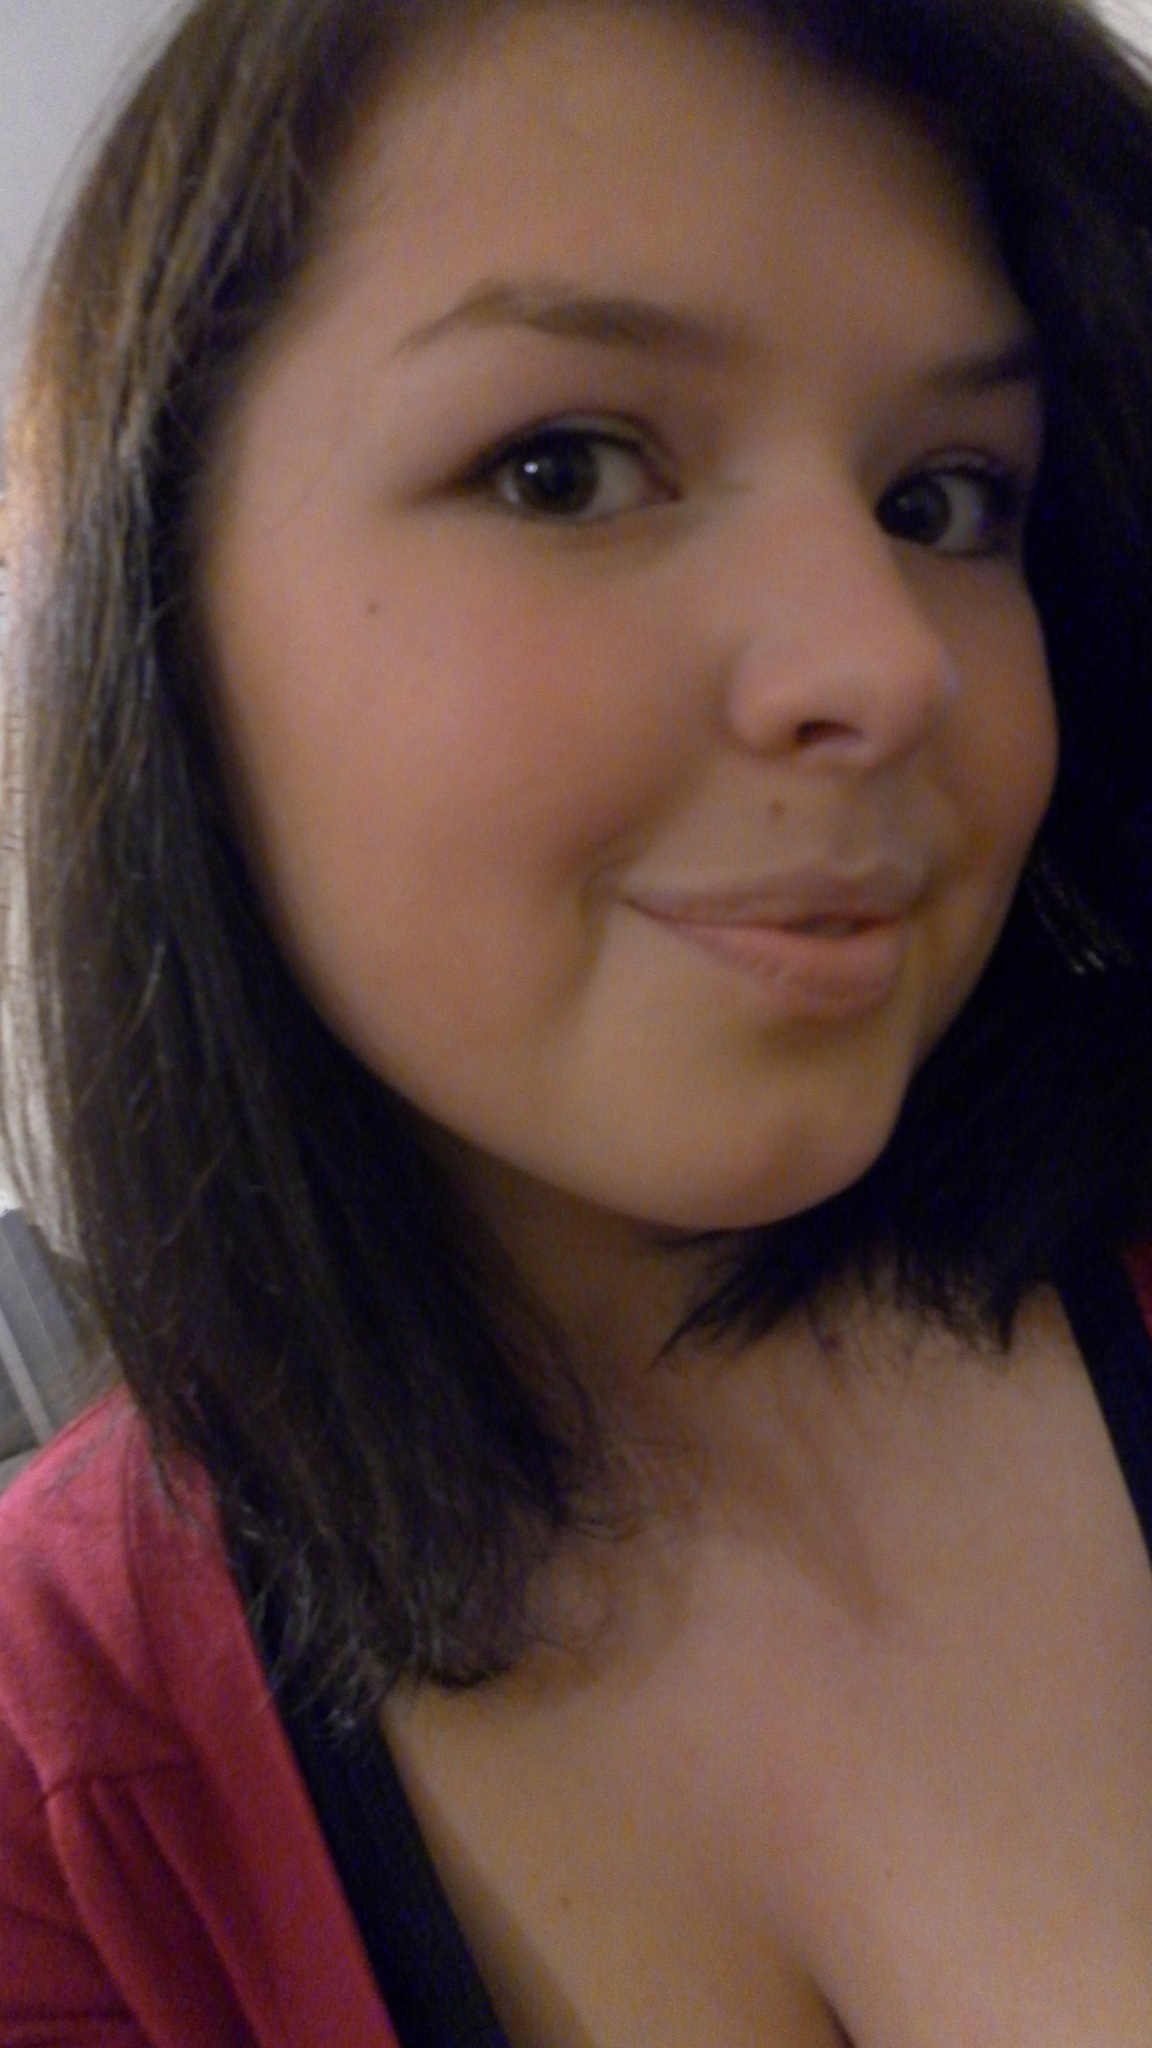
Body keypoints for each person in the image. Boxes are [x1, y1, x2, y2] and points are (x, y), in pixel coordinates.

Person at [3, 0, 1152, 2038]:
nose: (888, 661)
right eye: (566, 468)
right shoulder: (58, 1768)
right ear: (152, 615)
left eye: (946, 498)